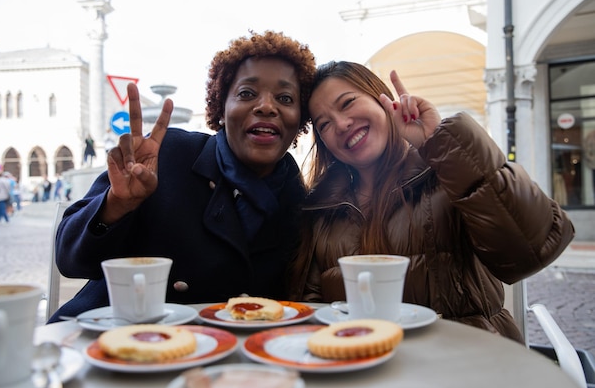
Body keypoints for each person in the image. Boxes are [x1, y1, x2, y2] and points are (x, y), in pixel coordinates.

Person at [287, 61, 575, 342]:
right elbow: (314, 312)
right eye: (324, 124)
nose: (341, 124)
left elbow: (530, 251)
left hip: (470, 369)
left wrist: (440, 140)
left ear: (382, 99)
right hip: (367, 371)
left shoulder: (448, 172)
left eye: (347, 103)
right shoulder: (322, 211)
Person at [48, 30, 316, 323]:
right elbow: (70, 260)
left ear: (299, 118)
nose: (266, 106)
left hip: (216, 356)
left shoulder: (299, 204)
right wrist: (116, 205)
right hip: (108, 339)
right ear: (221, 108)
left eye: (285, 97)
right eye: (247, 93)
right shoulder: (167, 155)